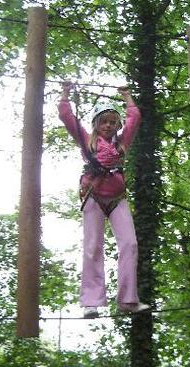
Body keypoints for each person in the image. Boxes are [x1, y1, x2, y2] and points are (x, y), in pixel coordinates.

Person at [58, 81, 150, 318]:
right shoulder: (87, 140)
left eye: (112, 122)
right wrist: (66, 93)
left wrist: (127, 96)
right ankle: (91, 302)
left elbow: (135, 117)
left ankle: (128, 300)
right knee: (93, 247)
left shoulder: (122, 143)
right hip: (94, 197)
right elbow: (67, 116)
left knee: (130, 244)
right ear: (96, 124)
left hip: (118, 198)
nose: (108, 126)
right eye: (104, 121)